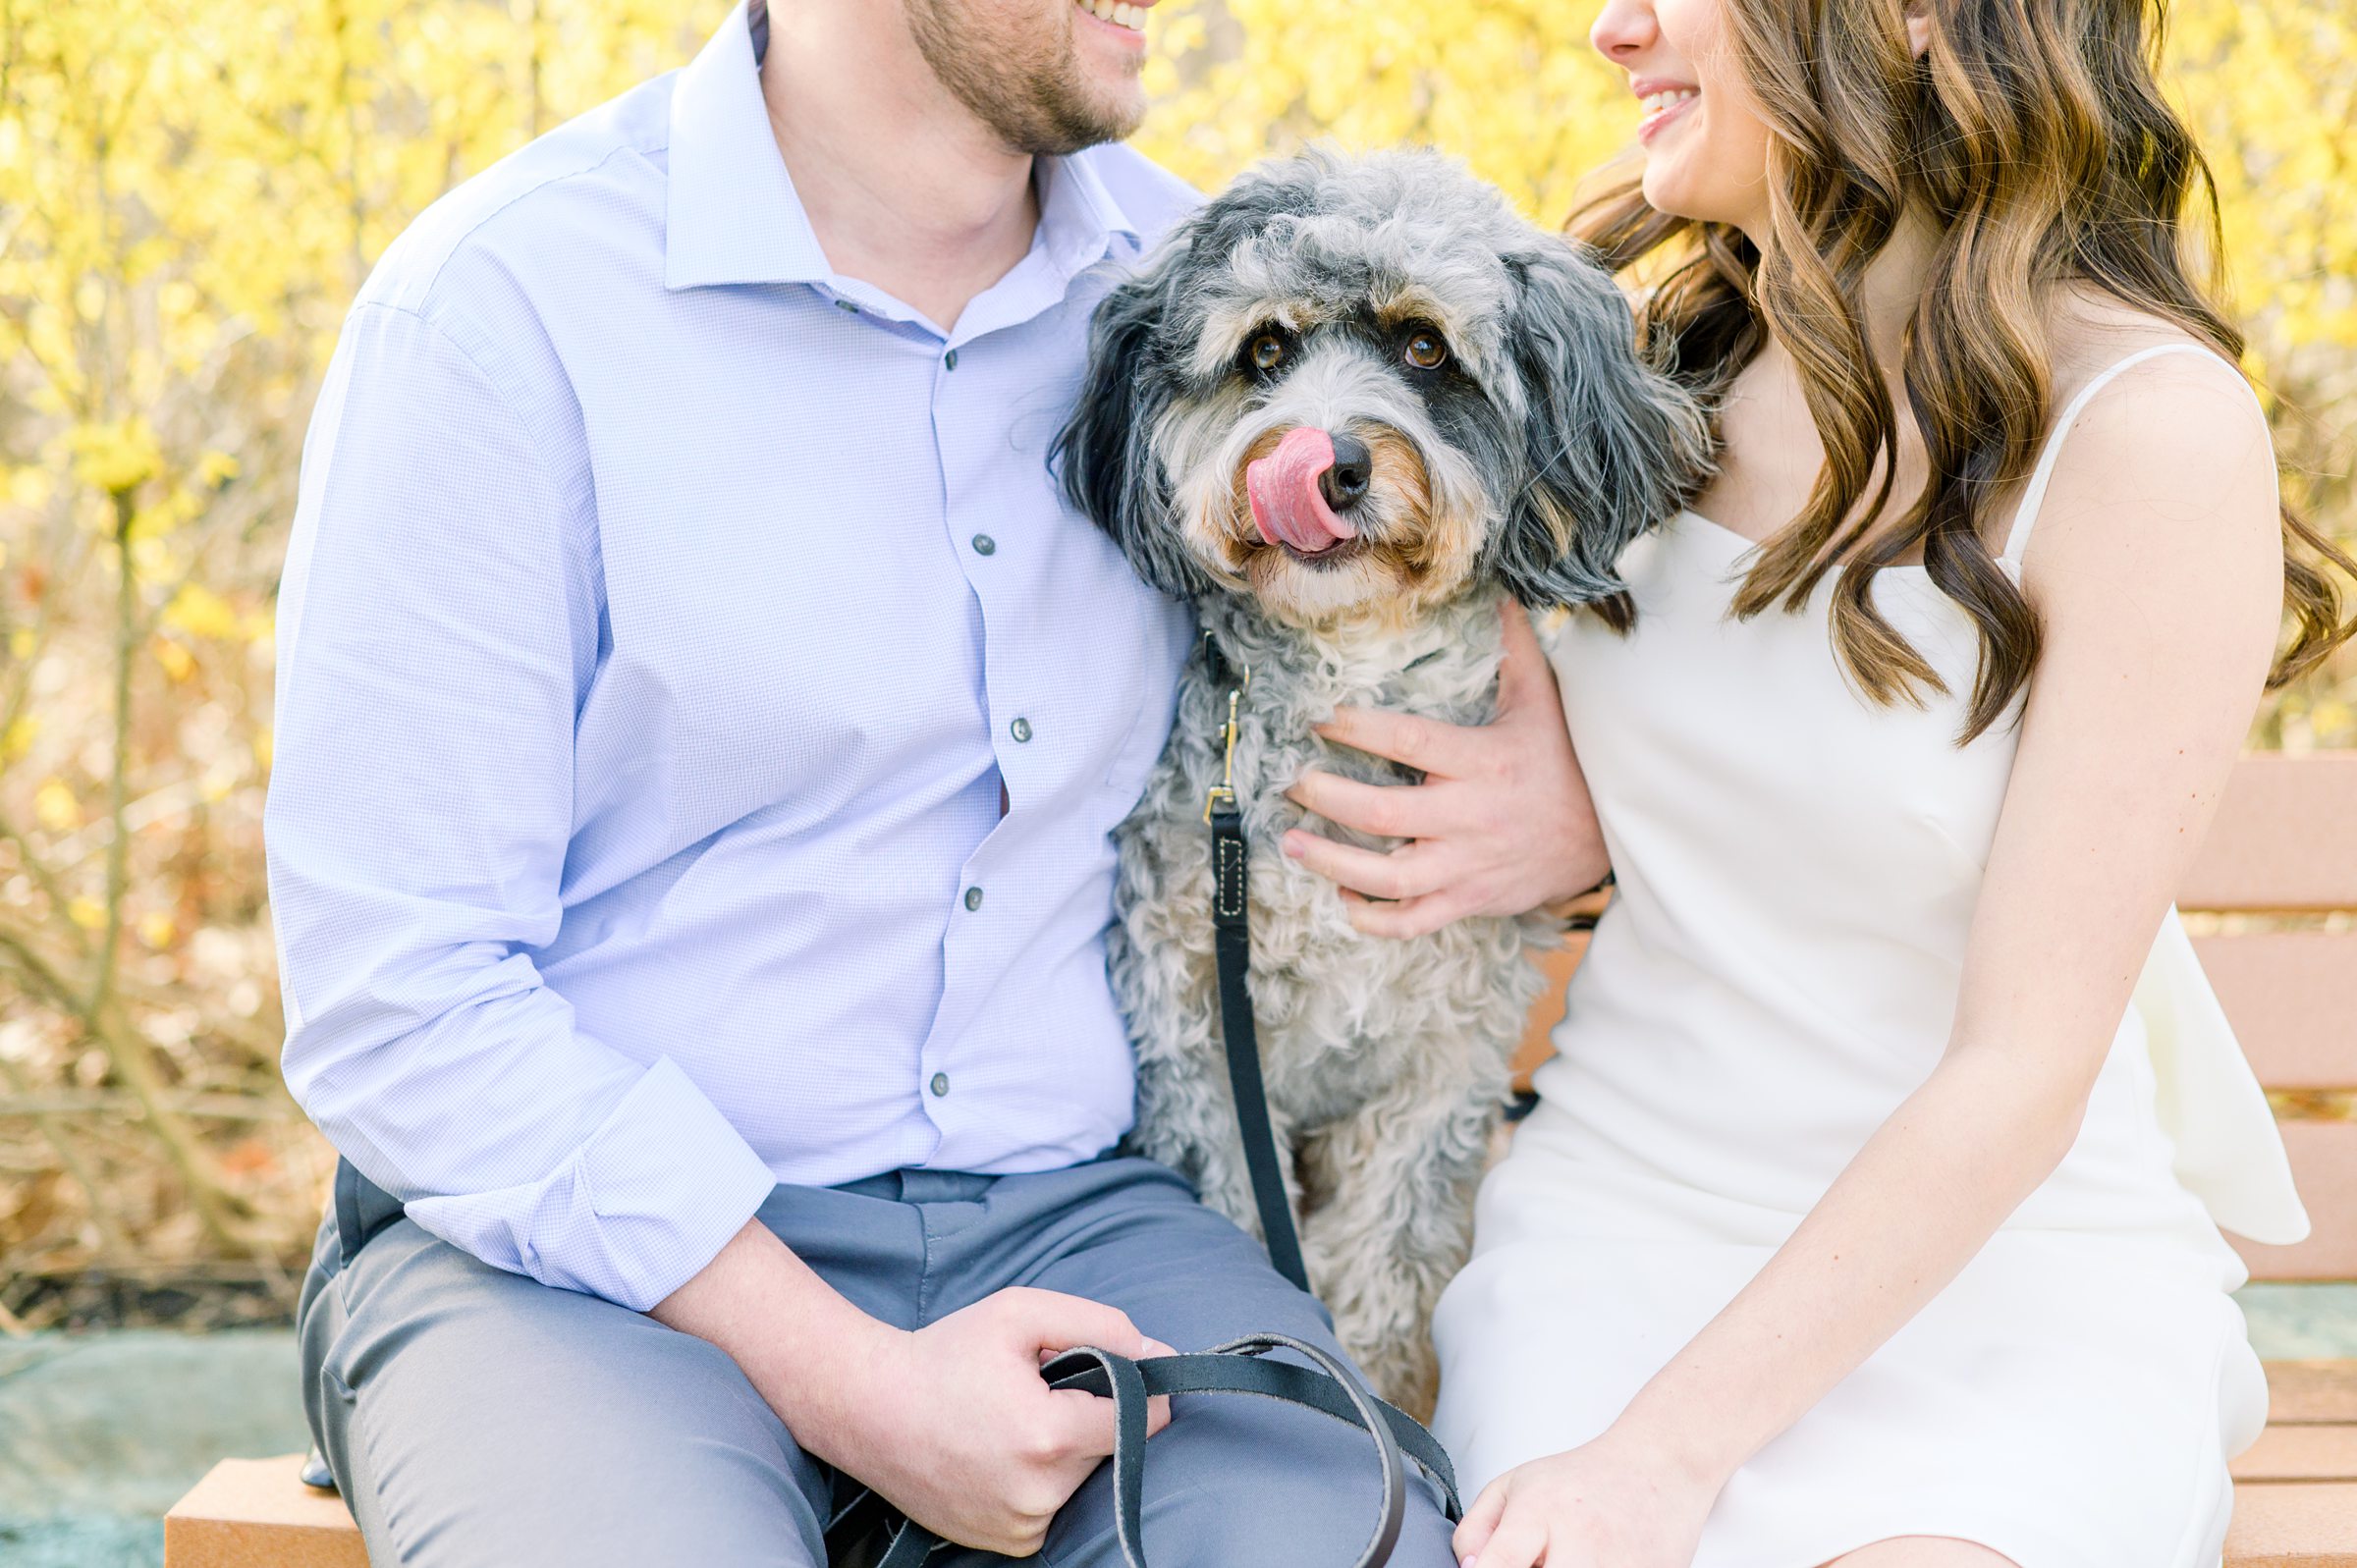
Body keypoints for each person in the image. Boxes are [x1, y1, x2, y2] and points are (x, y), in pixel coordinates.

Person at [263, 1, 1597, 1563]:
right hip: (575, 1262)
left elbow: (1479, 557)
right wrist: (858, 1387)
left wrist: (1581, 813)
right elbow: (397, 992)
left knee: (1332, 1542)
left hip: (1085, 1216)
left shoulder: (1211, 299)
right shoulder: (503, 308)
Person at [1291, 0, 2356, 1561]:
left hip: (2013, 1275)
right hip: (1626, 1226)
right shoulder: (1639, 371)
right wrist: (1594, 805)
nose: (1611, 25)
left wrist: (1661, 1458)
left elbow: (2024, 1068)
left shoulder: (2147, 435)